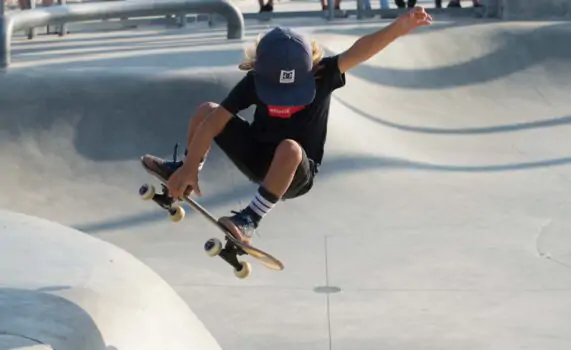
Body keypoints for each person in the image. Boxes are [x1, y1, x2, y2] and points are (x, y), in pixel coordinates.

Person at [142, 6, 433, 243]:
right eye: (277, 95)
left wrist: (398, 27)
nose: (286, 102)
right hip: (256, 156)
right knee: (206, 111)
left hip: (295, 173)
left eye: (293, 95)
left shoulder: (324, 74)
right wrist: (192, 164)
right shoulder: (253, 82)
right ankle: (183, 174)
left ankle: (249, 220)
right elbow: (213, 124)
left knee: (290, 149)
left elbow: (361, 50)